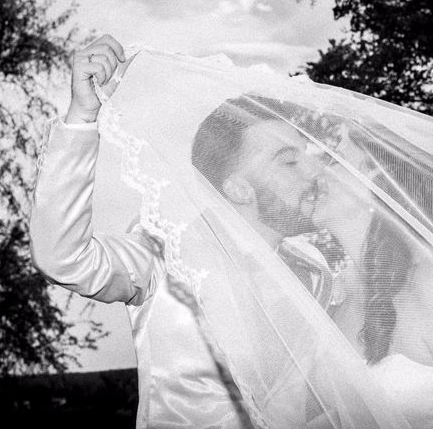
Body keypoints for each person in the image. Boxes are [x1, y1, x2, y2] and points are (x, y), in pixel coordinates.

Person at [29, 35, 329, 428]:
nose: (314, 173)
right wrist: (82, 115)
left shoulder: (315, 268)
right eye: (288, 162)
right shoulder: (164, 253)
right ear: (238, 188)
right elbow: (62, 258)